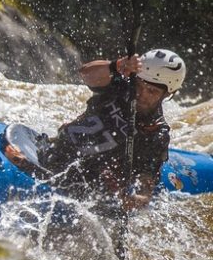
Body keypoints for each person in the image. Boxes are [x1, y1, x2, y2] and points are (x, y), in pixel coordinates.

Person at [34, 48, 186, 212]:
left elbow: (146, 177)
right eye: (140, 85)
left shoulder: (156, 133)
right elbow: (86, 74)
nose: (141, 94)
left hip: (88, 181)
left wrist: (139, 198)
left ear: (169, 93)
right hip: (57, 152)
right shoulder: (120, 85)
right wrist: (117, 65)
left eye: (152, 91)